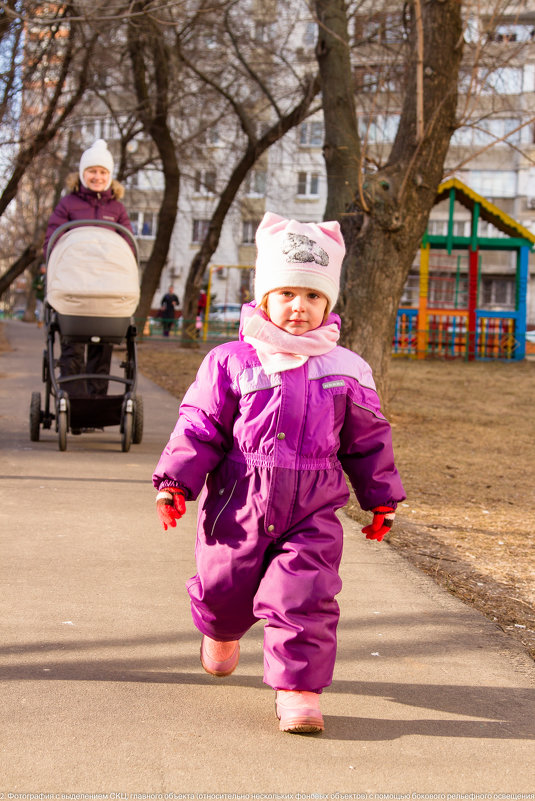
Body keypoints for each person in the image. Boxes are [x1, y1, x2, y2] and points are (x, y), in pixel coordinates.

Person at [152, 212, 405, 734]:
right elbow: (199, 427)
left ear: (328, 304)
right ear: (263, 298)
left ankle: (299, 692)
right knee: (224, 588)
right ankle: (219, 630)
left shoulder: (347, 369)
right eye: (287, 293)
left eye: (313, 297)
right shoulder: (230, 361)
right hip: (237, 502)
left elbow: (367, 439)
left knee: (304, 597)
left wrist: (381, 498)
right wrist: (177, 482)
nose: (300, 306)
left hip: (313, 506)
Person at [43, 139, 134, 398]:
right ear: (82, 174)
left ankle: (95, 402)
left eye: (103, 172)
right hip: (75, 284)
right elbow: (53, 240)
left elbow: (127, 246)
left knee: (102, 347)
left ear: (110, 176)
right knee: (72, 346)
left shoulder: (117, 209)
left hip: (108, 288)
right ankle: (73, 403)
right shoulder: (67, 204)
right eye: (92, 171)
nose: (97, 177)